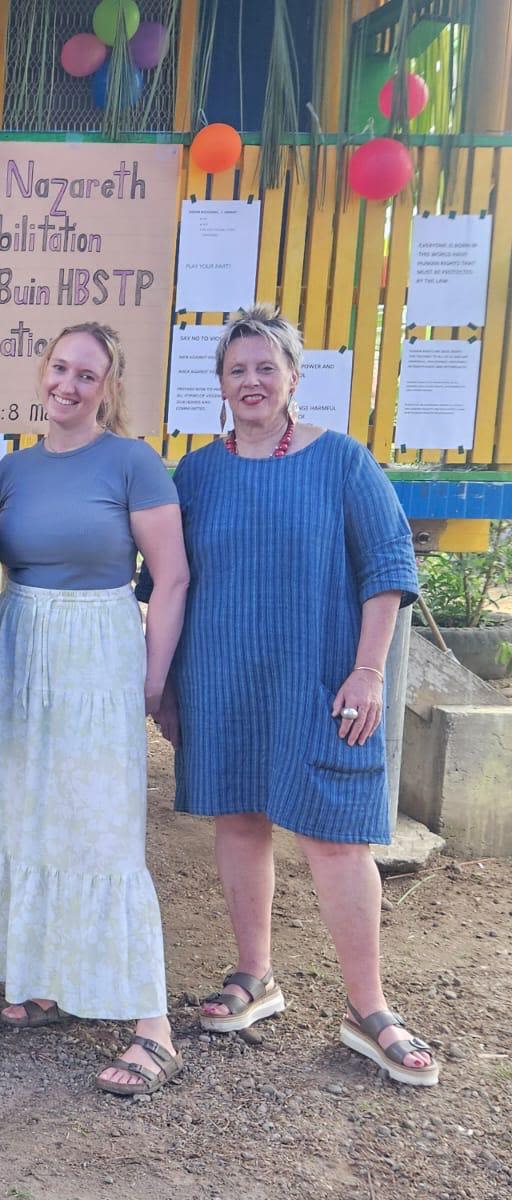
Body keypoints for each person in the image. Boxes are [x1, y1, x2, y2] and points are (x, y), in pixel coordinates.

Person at [160, 305, 436, 1086]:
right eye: (237, 369)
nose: (252, 381)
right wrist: (172, 686)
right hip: (222, 683)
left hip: (320, 683)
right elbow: (171, 586)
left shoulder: (343, 462)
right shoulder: (197, 472)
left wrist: (369, 671)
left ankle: (370, 1008)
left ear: (292, 378)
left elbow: (388, 569)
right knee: (240, 821)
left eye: (265, 367)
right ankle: (255, 977)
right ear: (220, 384)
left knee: (338, 838)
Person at [0, 323, 189, 1095]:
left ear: (108, 386)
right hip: (23, 649)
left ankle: (152, 1027)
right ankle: (43, 976)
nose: (69, 385)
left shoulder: (132, 462)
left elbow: (173, 576)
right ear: (41, 371)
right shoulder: (12, 469)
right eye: (60, 368)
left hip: (98, 653)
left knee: (102, 824)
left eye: (87, 375)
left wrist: (153, 678)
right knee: (21, 807)